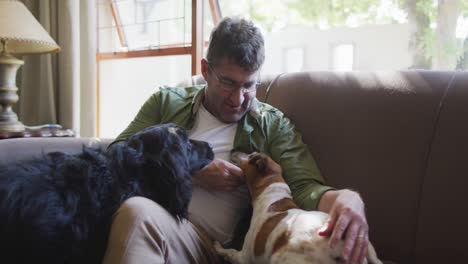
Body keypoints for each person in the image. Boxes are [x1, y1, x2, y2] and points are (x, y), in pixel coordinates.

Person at [103, 17, 369, 264]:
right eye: (228, 83)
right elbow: (116, 156)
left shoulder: (272, 125)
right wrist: (190, 169)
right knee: (136, 212)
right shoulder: (166, 103)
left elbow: (303, 187)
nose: (238, 99)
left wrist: (344, 198)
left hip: (216, 247)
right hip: (162, 222)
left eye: (249, 85)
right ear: (206, 70)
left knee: (137, 214)